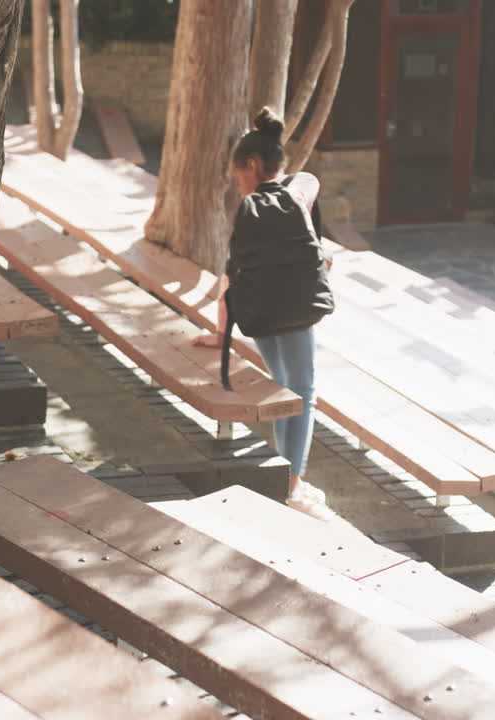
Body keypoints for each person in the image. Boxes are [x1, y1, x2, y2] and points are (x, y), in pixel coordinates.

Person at [194, 107, 334, 518]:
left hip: (260, 315)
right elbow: (311, 185)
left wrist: (222, 334)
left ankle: (286, 478)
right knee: (302, 392)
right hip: (298, 310)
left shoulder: (251, 209)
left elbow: (230, 275)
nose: (240, 188)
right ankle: (292, 484)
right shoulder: (298, 192)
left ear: (252, 166)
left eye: (239, 178)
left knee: (283, 389)